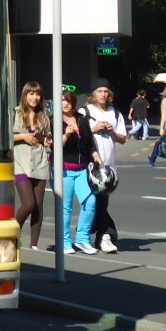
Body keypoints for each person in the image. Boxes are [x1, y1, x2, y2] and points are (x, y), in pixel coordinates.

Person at [83, 78, 126, 253]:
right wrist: (94, 128)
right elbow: (80, 134)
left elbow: (122, 138)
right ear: (93, 93)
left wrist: (111, 132)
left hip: (108, 166)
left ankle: (101, 235)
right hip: (89, 164)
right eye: (99, 91)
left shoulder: (115, 113)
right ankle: (106, 234)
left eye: (106, 91)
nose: (103, 94)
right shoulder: (85, 111)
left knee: (102, 202)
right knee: (93, 202)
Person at [60, 87, 103, 255]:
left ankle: (83, 238)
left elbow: (89, 141)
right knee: (65, 207)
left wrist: (95, 154)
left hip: (82, 168)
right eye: (62, 100)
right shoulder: (54, 121)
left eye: (68, 100)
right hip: (63, 169)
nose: (65, 104)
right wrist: (66, 135)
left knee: (90, 202)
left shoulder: (82, 119)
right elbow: (55, 146)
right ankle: (64, 241)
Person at [11, 81, 51, 250]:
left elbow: (47, 138)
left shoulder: (44, 116)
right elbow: (7, 138)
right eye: (31, 94)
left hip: (40, 161)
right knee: (28, 204)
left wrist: (47, 141)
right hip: (21, 163)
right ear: (25, 95)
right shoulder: (16, 113)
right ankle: (13, 233)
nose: (34, 98)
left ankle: (34, 243)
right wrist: (24, 137)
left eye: (37, 94)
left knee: (38, 205)